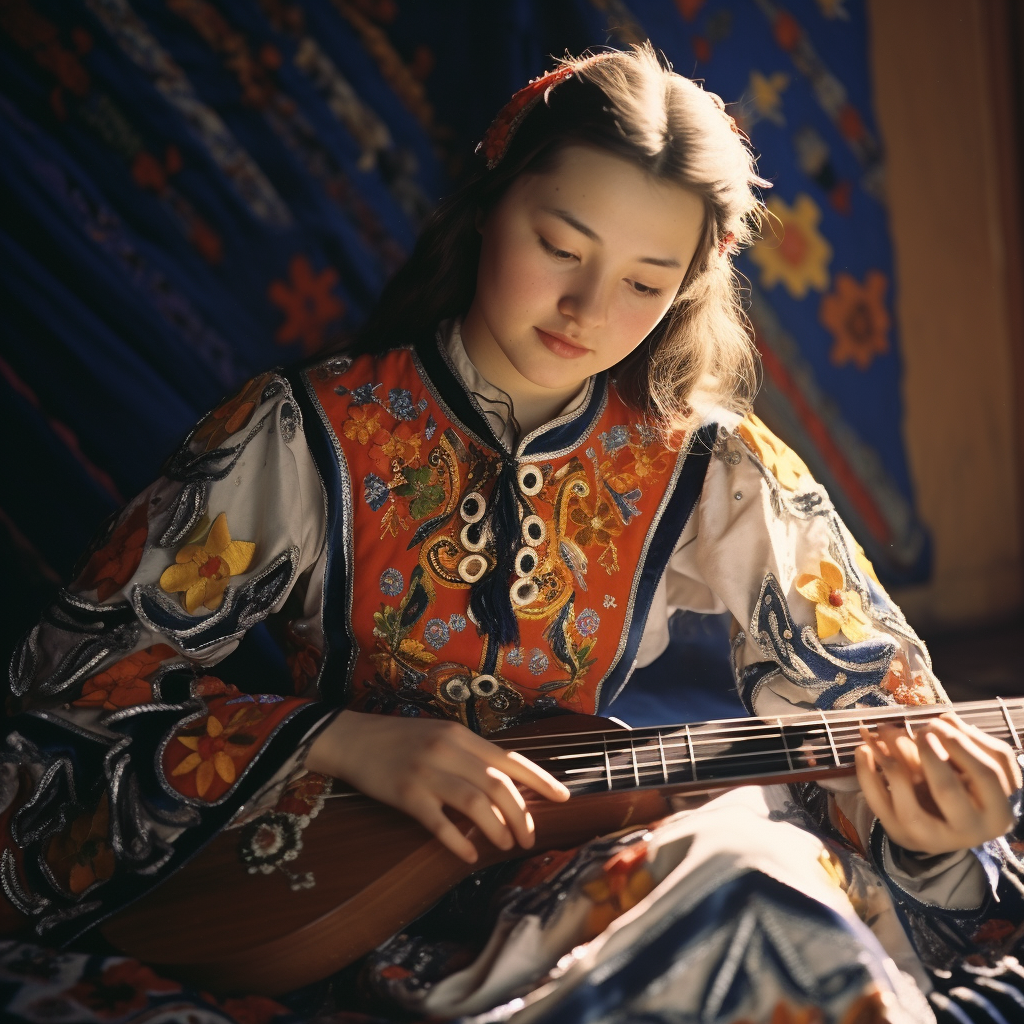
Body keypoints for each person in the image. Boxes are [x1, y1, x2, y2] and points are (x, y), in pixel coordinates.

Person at [3, 44, 1023, 1024]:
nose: (585, 307)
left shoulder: (717, 467)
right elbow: (72, 691)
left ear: (687, 288)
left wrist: (935, 831)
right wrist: (346, 740)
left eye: (643, 280)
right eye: (560, 246)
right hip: (323, 893)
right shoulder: (302, 431)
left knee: (760, 869)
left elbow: (880, 719)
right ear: (490, 204)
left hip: (560, 885)